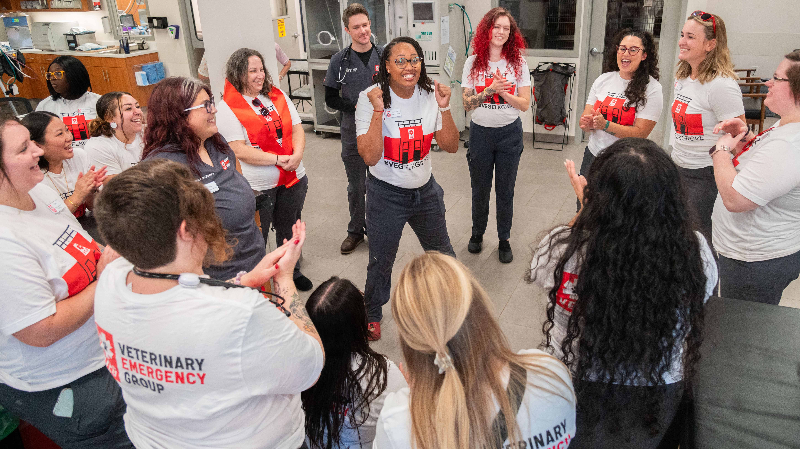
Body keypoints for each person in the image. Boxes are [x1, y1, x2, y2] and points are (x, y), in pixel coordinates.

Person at [92, 159, 324, 448]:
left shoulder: (111, 281)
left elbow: (183, 313)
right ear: (186, 230)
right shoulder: (240, 314)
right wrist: (285, 280)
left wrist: (245, 283)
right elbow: (310, 366)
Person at [530, 138, 718, 447]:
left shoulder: (561, 248)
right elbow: (704, 293)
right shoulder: (694, 252)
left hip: (573, 382)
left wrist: (584, 214)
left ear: (597, 196)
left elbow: (543, 274)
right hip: (657, 387)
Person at [0, 118, 130, 448]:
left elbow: (80, 242)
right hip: (70, 383)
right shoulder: (5, 240)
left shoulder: (38, 188)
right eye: (23, 148)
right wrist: (105, 276)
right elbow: (39, 330)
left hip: (104, 354)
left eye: (33, 141)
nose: (38, 151)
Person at [375, 252, 576, 448]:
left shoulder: (399, 421)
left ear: (410, 343)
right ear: (481, 310)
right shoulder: (550, 375)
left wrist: (416, 393)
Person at [356, 36, 460, 340]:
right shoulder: (371, 96)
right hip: (386, 193)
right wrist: (378, 112)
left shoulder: (430, 94)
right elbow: (370, 156)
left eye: (414, 59)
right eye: (399, 60)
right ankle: (372, 311)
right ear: (386, 66)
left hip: (424, 191)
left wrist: (445, 108)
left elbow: (451, 146)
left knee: (444, 254)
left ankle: (456, 303)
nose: (408, 66)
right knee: (381, 258)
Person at [142, 77, 267, 281]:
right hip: (215, 281)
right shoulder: (162, 167)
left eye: (212, 102)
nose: (214, 110)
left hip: (253, 263)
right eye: (205, 105)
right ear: (177, 116)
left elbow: (238, 180)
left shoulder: (214, 142)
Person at [216, 47, 313, 291]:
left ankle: (292, 270)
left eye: (261, 69)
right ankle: (260, 278)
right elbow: (238, 149)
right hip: (260, 186)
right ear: (239, 74)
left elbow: (298, 128)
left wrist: (298, 155)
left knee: (289, 227)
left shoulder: (277, 96)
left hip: (293, 177)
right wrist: (279, 160)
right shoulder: (228, 107)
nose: (259, 75)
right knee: (258, 236)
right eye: (252, 71)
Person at [710, 50, 800, 305]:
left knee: (742, 332)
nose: (767, 83)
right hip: (747, 256)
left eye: (776, 78)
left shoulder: (791, 144)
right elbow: (765, 166)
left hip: (756, 263)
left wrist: (721, 151)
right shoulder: (785, 124)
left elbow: (736, 200)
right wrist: (748, 140)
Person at [302, 277, 407, 448]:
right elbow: (404, 422)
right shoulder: (382, 374)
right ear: (359, 323)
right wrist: (404, 393)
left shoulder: (298, 364)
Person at [461, 7, 531, 263]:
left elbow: (524, 104)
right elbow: (467, 104)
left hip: (509, 135)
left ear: (511, 33)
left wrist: (503, 93)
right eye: (497, 27)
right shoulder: (473, 62)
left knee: (505, 190)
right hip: (480, 134)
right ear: (487, 30)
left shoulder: (518, 63)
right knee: (479, 189)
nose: (501, 32)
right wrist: (489, 89)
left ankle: (504, 239)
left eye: (506, 28)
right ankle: (477, 234)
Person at [670, 11, 744, 245]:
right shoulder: (683, 76)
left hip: (704, 175)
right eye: (682, 35)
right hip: (679, 167)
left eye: (690, 37)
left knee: (699, 242)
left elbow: (740, 136)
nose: (682, 41)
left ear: (711, 44)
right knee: (677, 236)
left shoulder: (721, 85)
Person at [578, 28, 663, 211]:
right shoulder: (603, 80)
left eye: (633, 50)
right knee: (585, 209)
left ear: (644, 55)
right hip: (594, 156)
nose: (626, 54)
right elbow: (586, 119)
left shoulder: (652, 89)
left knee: (616, 214)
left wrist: (605, 125)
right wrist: (587, 124)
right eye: (622, 48)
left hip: (625, 162)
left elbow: (640, 134)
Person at [325, 3, 383, 254]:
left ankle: (378, 228)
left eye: (365, 25)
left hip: (381, 130)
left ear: (370, 25)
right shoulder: (339, 61)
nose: (363, 31)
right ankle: (355, 231)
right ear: (347, 29)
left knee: (381, 183)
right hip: (352, 132)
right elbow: (330, 98)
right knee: (356, 185)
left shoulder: (384, 55)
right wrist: (357, 106)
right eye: (356, 27)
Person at [22, 111, 107, 240]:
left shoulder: (79, 156)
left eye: (67, 130)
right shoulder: (31, 176)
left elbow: (92, 207)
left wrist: (91, 191)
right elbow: (48, 222)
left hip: (85, 225)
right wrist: (78, 195)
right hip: (55, 235)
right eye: (60, 134)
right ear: (36, 145)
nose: (69, 137)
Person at [35, 55, 101, 148]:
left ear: (74, 75)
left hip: (95, 155)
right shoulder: (45, 106)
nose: (53, 78)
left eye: (58, 74)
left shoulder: (98, 102)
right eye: (50, 75)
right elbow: (39, 138)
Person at [84, 92, 145, 177]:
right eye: (128, 108)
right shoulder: (97, 146)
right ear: (109, 117)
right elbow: (116, 187)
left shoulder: (150, 133)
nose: (138, 111)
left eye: (137, 107)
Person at [198, 43, 292, 82]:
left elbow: (287, 63)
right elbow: (202, 75)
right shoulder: (214, 48)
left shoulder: (272, 45)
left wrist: (279, 77)